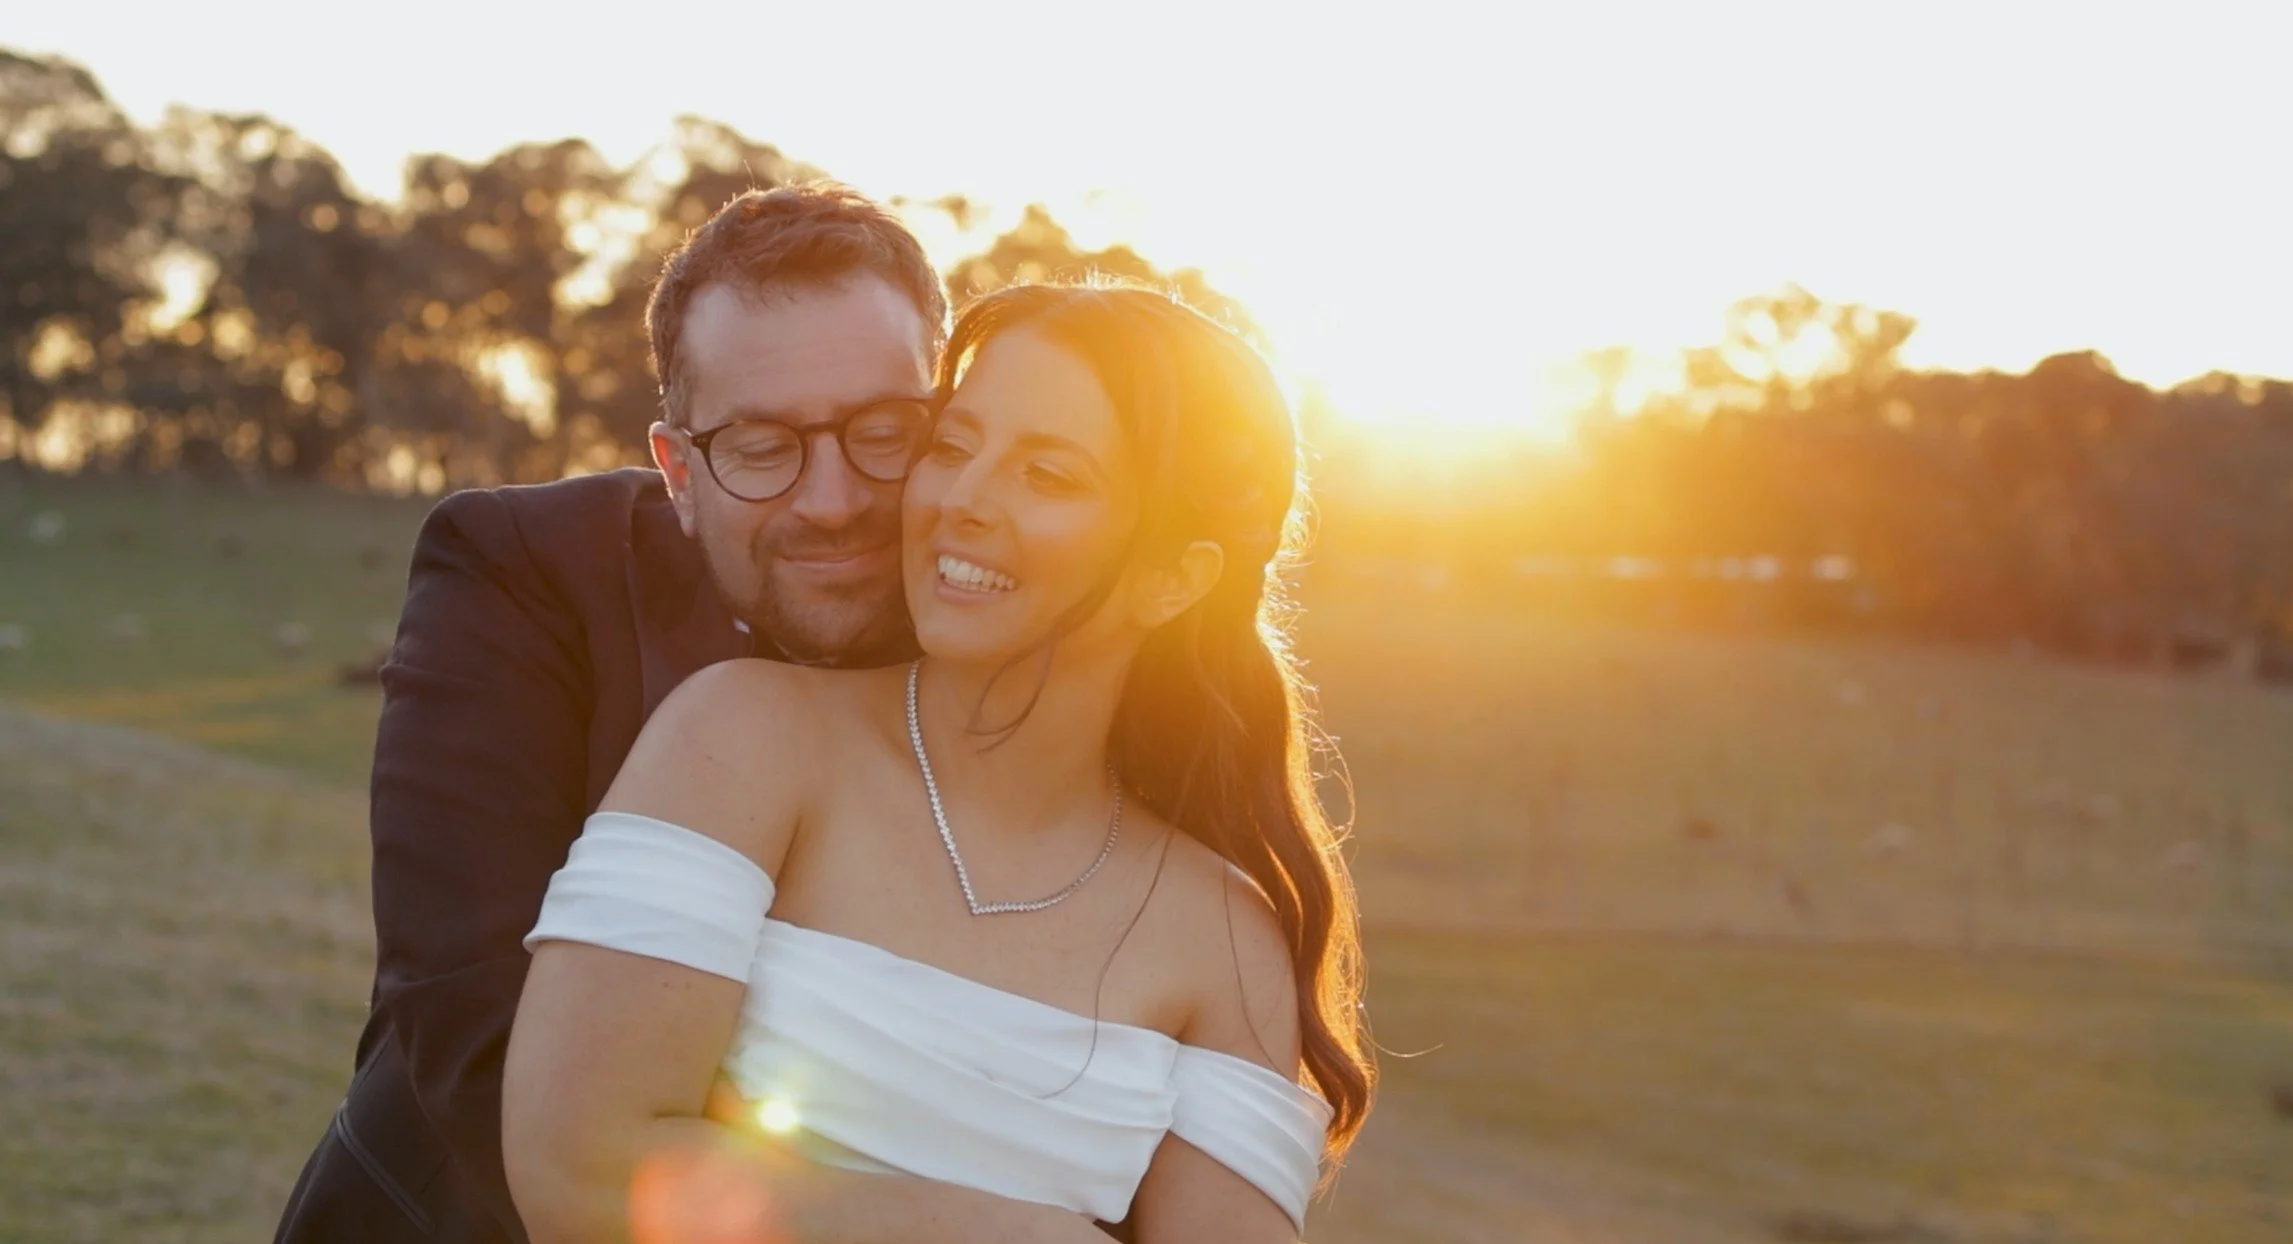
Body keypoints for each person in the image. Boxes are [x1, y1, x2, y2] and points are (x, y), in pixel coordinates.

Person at [278, 185, 1092, 1242]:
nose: (832, 500)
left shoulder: (1011, 610)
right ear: (678, 471)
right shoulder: (524, 571)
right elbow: (477, 1019)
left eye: (885, 432)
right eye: (760, 446)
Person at [503, 282, 1375, 1242]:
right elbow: (578, 1171)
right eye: (953, 447)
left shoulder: (1225, 940)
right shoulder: (746, 739)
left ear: (1172, 575)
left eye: (1046, 475)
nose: (961, 500)